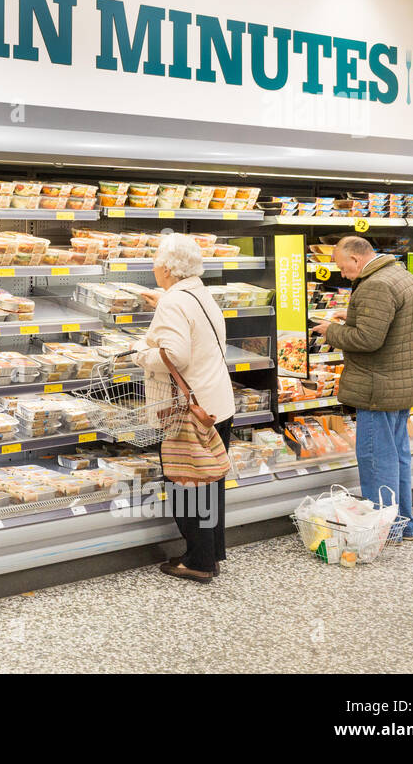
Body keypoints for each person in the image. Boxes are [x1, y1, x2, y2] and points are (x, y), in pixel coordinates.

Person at [133, 233, 236, 584]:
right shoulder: (198, 292)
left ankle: (198, 562)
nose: (152, 266)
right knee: (210, 484)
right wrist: (163, 302)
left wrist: (138, 353)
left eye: (156, 261)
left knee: (186, 486)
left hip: (189, 413)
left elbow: (175, 355)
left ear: (167, 267)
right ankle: (210, 554)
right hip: (215, 404)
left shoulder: (173, 302)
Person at [311, 235, 413, 539]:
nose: (342, 274)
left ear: (357, 259)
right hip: (400, 384)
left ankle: (383, 531)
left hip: (378, 387)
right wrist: (354, 315)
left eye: (343, 267)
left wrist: (331, 330)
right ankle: (402, 523)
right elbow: (392, 321)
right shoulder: (399, 275)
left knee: (377, 459)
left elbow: (368, 340)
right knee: (398, 457)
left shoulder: (375, 284)